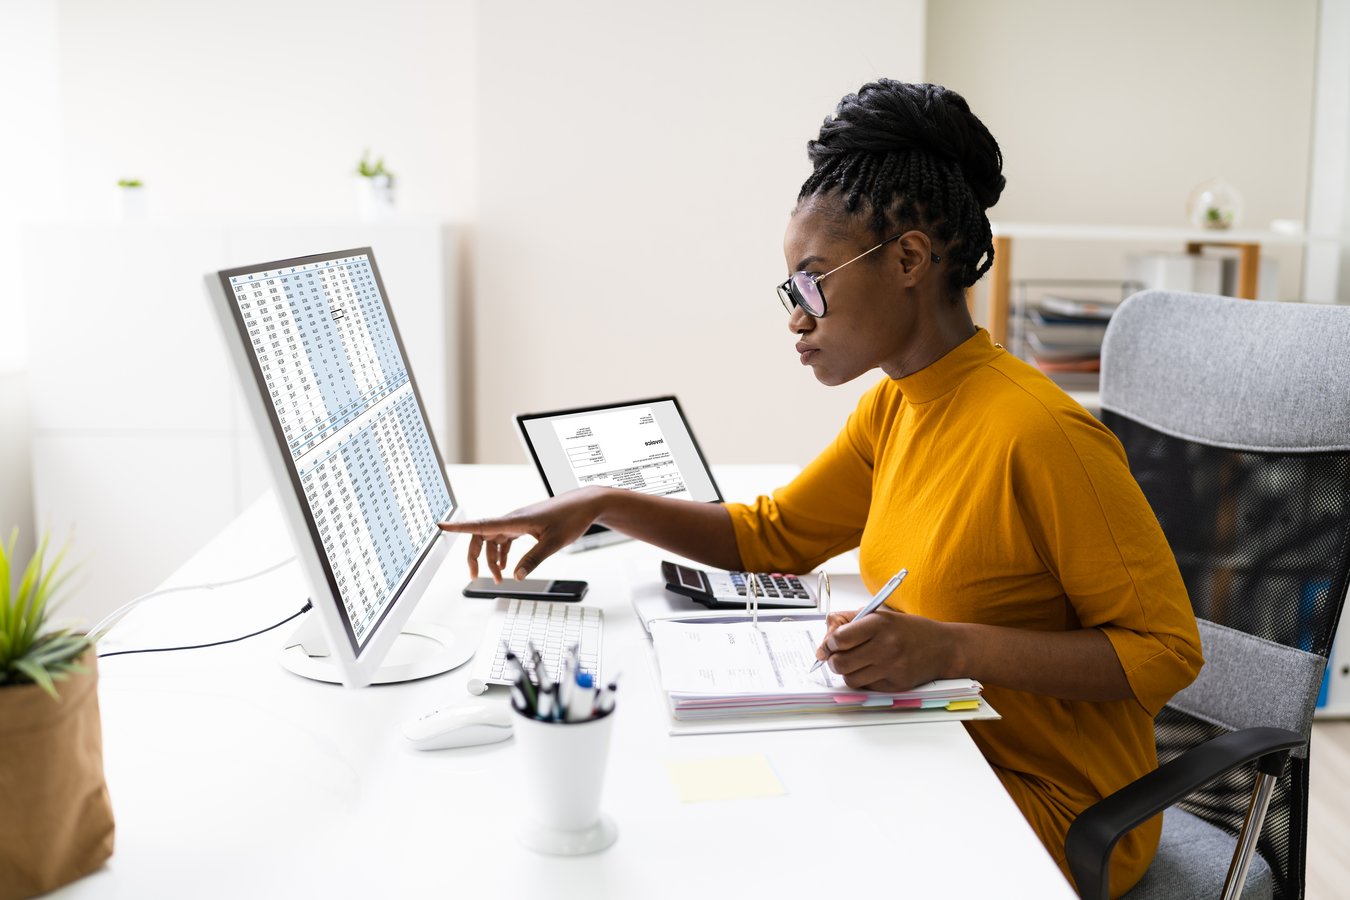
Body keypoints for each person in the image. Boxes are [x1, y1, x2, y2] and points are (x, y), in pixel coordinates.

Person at [440, 79, 1203, 896]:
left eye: (811, 284)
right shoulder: (895, 408)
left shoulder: (1042, 435)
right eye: (789, 292)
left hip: (1049, 811)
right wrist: (601, 502)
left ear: (908, 259)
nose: (796, 319)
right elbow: (768, 539)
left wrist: (946, 648)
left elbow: (1165, 654)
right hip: (935, 752)